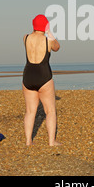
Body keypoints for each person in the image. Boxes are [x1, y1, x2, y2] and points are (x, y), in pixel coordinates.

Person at [22, 14, 61, 146]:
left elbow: (34, 35)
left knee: (30, 111)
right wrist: (49, 32)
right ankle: (51, 141)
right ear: (45, 26)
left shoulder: (25, 38)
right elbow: (57, 47)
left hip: (28, 75)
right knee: (50, 111)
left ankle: (28, 141)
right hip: (43, 76)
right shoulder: (48, 40)